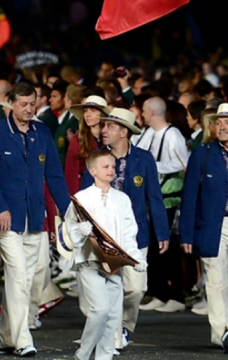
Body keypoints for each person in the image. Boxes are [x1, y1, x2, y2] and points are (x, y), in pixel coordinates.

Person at [0, 82, 71, 357]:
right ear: (10, 103)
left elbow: (54, 175)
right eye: (23, 104)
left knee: (32, 280)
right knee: (18, 277)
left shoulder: (42, 132)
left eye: (32, 104)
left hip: (36, 217)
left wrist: (67, 212)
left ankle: (3, 337)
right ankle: (22, 339)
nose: (29, 109)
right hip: (8, 219)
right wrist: (0, 208)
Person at [79, 107, 170, 348]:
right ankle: (114, 334)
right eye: (104, 126)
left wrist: (162, 231)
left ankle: (126, 325)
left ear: (124, 132)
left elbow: (155, 197)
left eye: (109, 126)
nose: (103, 130)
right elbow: (84, 197)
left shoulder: (144, 159)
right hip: (104, 237)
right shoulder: (97, 158)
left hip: (135, 235)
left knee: (136, 289)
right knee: (111, 287)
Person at [179, 103, 228, 354]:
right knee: (216, 278)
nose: (221, 126)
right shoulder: (203, 154)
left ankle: (227, 332)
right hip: (213, 225)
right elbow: (189, 196)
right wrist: (187, 233)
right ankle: (224, 330)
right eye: (218, 122)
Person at [65, 149, 144, 360]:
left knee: (113, 315)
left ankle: (104, 356)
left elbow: (129, 231)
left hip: (114, 264)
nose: (111, 170)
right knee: (100, 310)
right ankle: (83, 353)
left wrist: (135, 256)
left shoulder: (121, 199)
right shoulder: (82, 198)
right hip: (90, 263)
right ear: (92, 171)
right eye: (105, 166)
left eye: (112, 166)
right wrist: (79, 233)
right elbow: (70, 227)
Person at [133, 96, 189, 314]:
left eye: (144, 111)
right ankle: (158, 292)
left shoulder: (172, 135)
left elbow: (181, 163)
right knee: (154, 248)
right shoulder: (147, 133)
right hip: (151, 198)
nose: (142, 115)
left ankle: (176, 294)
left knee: (168, 247)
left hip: (169, 199)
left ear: (152, 112)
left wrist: (153, 166)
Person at [64, 95, 109, 195]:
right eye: (85, 111)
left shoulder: (110, 140)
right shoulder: (78, 140)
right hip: (85, 193)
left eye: (92, 110)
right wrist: (75, 201)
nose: (87, 115)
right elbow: (71, 174)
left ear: (102, 113)